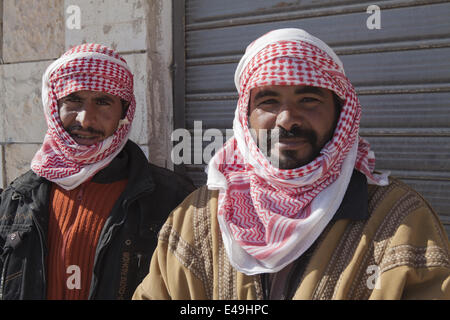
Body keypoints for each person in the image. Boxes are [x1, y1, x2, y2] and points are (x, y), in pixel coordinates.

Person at [133, 28, 450, 300]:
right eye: (268, 102)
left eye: (309, 100)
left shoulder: (400, 221)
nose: (286, 119)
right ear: (246, 118)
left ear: (340, 113)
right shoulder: (196, 219)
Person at [0, 44, 195, 300]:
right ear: (53, 106)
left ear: (124, 112)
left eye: (103, 102)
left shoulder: (173, 198)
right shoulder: (17, 197)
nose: (86, 120)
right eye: (73, 100)